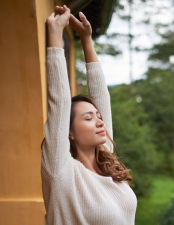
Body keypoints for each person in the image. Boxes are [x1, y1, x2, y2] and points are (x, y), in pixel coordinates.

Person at [42, 5, 137, 224]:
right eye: (87, 118)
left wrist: (86, 40)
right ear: (69, 132)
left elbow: (102, 97)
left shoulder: (106, 160)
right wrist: (55, 34)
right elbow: (58, 101)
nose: (99, 121)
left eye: (98, 116)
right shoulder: (62, 172)